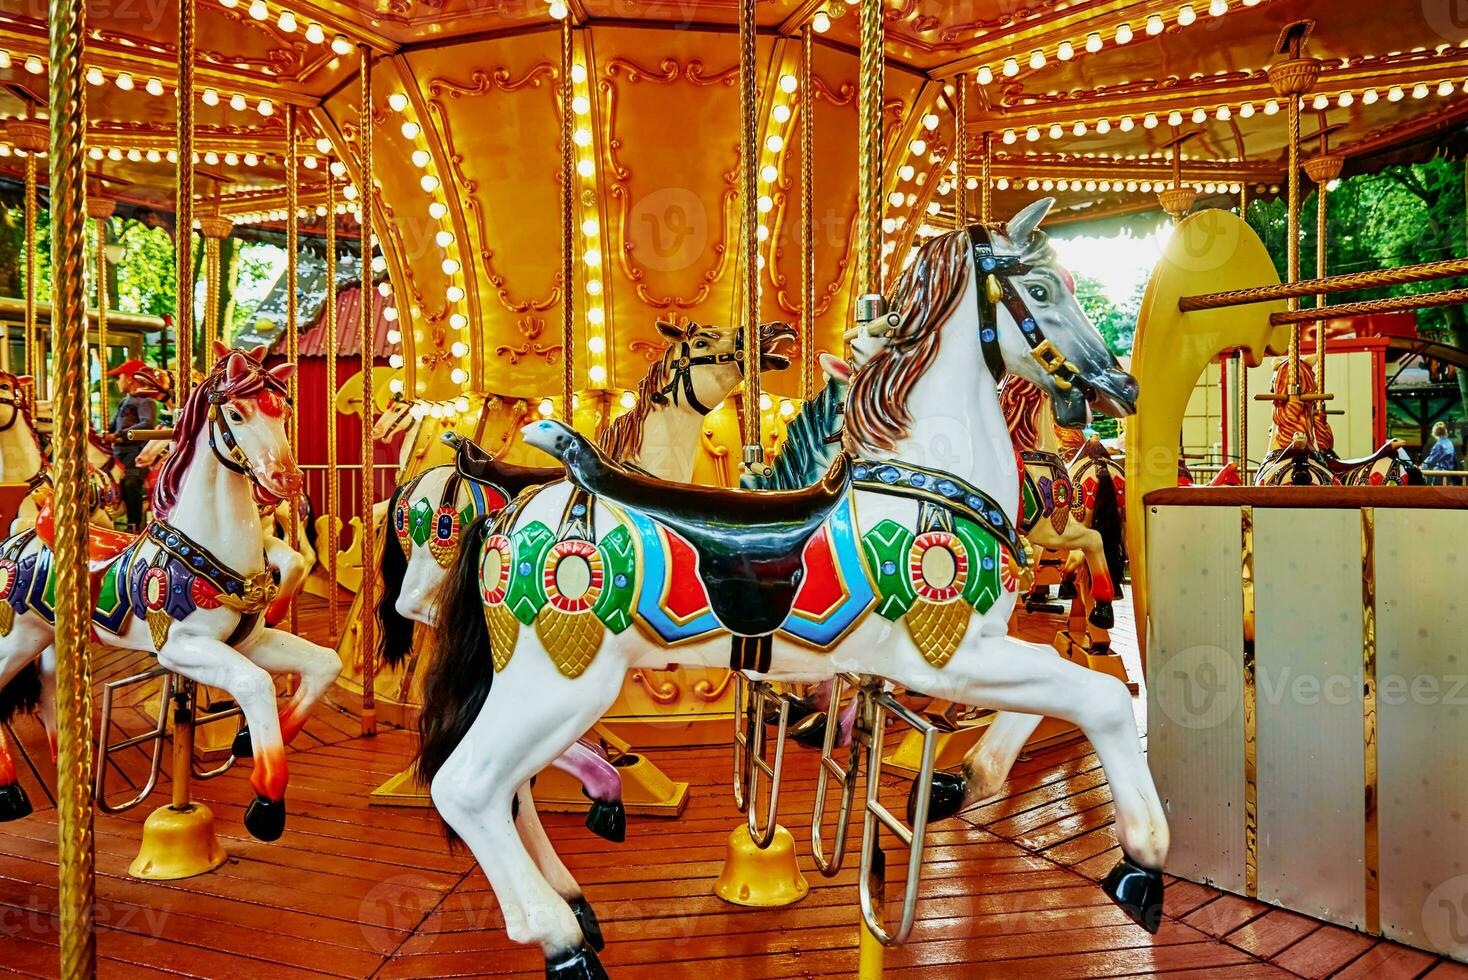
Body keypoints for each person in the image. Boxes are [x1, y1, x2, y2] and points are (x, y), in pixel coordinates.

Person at [106, 359, 159, 531]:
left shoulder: (146, 401)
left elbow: (147, 424)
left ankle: (134, 525)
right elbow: (113, 425)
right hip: (117, 454)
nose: (117, 381)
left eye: (119, 377)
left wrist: (120, 435)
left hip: (135, 456)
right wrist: (105, 434)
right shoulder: (124, 402)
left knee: (130, 482)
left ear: (129, 378)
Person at [1420, 420, 1458, 486]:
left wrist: (1421, 467)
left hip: (1439, 476)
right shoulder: (1449, 443)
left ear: (1434, 431)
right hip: (1449, 475)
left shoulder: (1439, 445)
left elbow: (1430, 462)